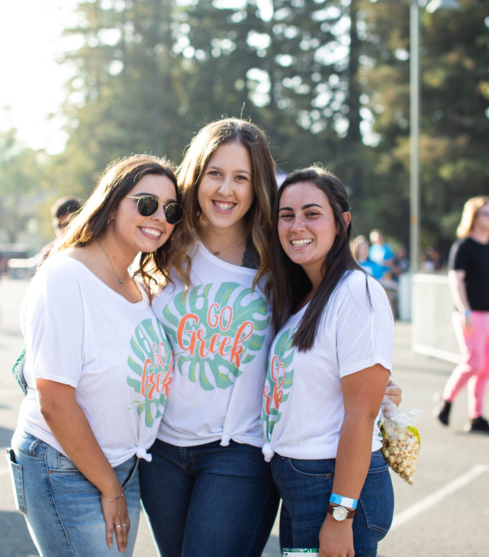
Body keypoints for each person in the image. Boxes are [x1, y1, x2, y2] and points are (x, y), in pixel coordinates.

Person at [140, 119, 402, 557]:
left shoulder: (277, 258)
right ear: (197, 174)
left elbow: (343, 327)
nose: (227, 189)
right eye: (216, 173)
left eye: (241, 177)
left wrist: (375, 390)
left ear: (257, 184)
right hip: (163, 452)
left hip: (238, 451)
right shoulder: (163, 246)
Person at [8, 155, 183, 557]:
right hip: (66, 468)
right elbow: (54, 400)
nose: (159, 216)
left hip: (124, 466)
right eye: (145, 203)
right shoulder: (66, 276)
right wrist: (109, 486)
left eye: (170, 209)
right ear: (111, 202)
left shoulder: (136, 281)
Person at [263, 167, 394, 557]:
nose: (296, 225)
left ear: (342, 223)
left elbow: (360, 415)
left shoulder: (357, 292)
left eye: (311, 213)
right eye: (286, 215)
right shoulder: (305, 297)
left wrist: (340, 516)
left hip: (333, 489)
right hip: (301, 484)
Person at [434, 196, 489, 435]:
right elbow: (455, 281)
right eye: (486, 214)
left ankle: (476, 417)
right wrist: (465, 309)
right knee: (473, 362)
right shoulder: (463, 246)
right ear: (474, 217)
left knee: (486, 367)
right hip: (470, 314)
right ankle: (446, 399)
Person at [39, 196, 82, 260]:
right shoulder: (48, 252)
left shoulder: (91, 250)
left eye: (67, 224)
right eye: (58, 226)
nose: (62, 230)